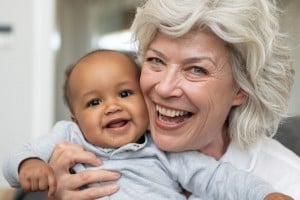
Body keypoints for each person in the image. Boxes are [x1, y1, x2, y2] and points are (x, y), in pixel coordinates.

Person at [6, 0, 300, 199]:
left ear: (242, 89)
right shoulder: (74, 142)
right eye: (156, 61)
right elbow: (20, 168)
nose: (164, 87)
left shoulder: (287, 180)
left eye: (196, 69)